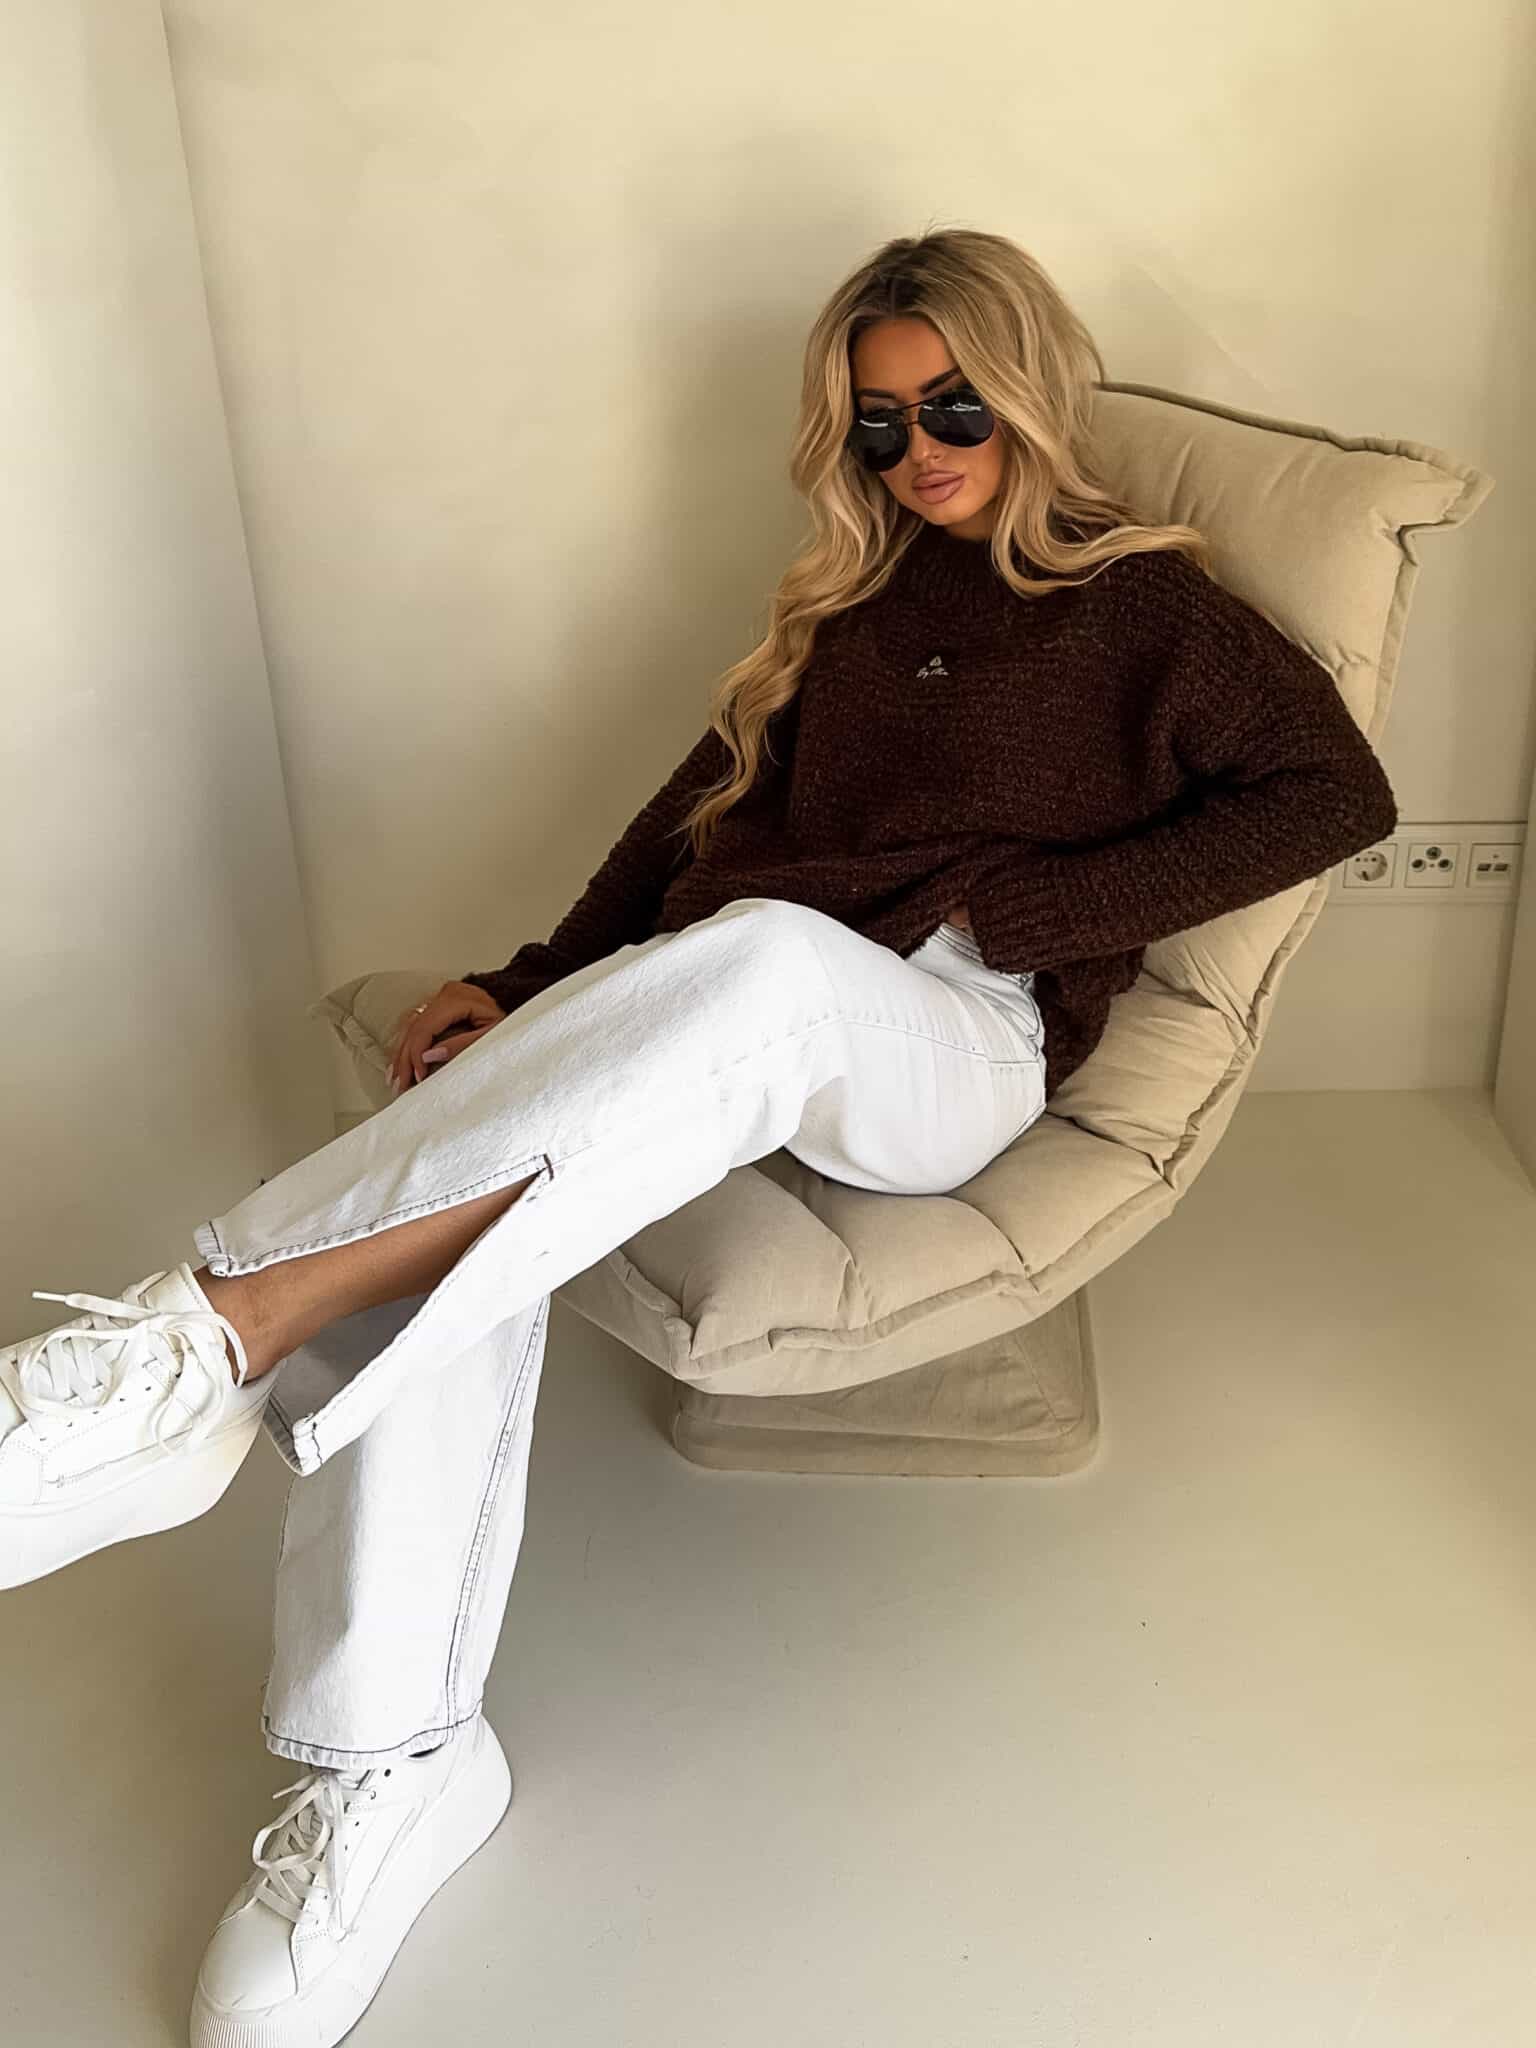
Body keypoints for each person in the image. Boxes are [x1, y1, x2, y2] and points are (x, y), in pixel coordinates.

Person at [0, 226, 1396, 2048]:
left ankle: (198, 1345)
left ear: (1033, 393)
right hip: (751, 1001)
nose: (918, 450)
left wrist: (1030, 914)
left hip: (947, 1044)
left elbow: (1336, 792)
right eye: (880, 422)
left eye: (954, 406)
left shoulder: (1150, 612)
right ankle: (390, 1762)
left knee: (765, 961)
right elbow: (688, 824)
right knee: (480, 1156)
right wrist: (530, 989)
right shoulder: (850, 613)